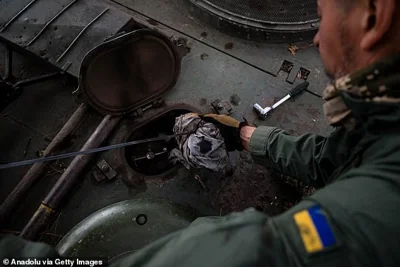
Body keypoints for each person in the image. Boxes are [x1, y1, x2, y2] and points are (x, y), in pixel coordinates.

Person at [2, 0, 400, 266]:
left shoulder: (363, 219)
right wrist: (245, 134)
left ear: (373, 16)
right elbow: (335, 156)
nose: (315, 37)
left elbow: (262, 250)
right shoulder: (383, 127)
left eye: (322, 12)